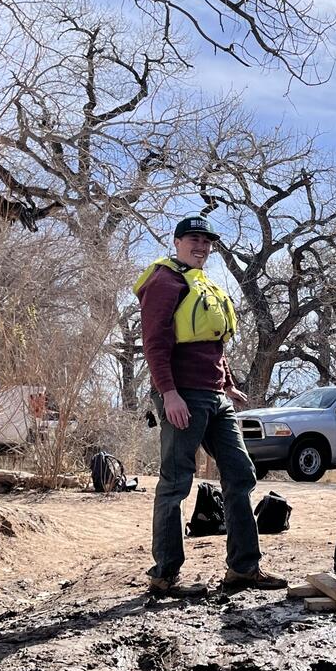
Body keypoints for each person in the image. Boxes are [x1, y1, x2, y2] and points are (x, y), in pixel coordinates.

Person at [134, 215, 287, 597]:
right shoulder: (163, 281)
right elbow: (154, 343)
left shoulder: (203, 283)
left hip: (217, 398)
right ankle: (164, 575)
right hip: (183, 395)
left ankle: (243, 569)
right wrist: (168, 393)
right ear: (177, 241)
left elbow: (213, 344)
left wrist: (229, 385)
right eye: (193, 239)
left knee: (241, 475)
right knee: (175, 483)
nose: (201, 246)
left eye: (206, 241)